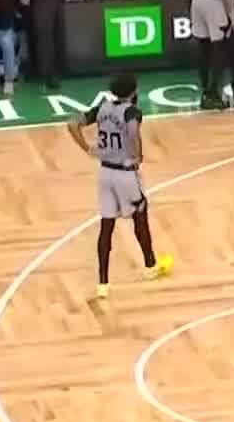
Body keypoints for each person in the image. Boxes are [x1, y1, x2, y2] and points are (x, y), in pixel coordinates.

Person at [65, 73, 176, 303]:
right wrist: (138, 155)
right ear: (133, 91)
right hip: (125, 174)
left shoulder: (102, 108)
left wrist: (87, 148)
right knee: (140, 217)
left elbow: (72, 124)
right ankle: (150, 265)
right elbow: (133, 133)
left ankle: (102, 283)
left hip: (105, 173)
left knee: (106, 227)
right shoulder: (131, 112)